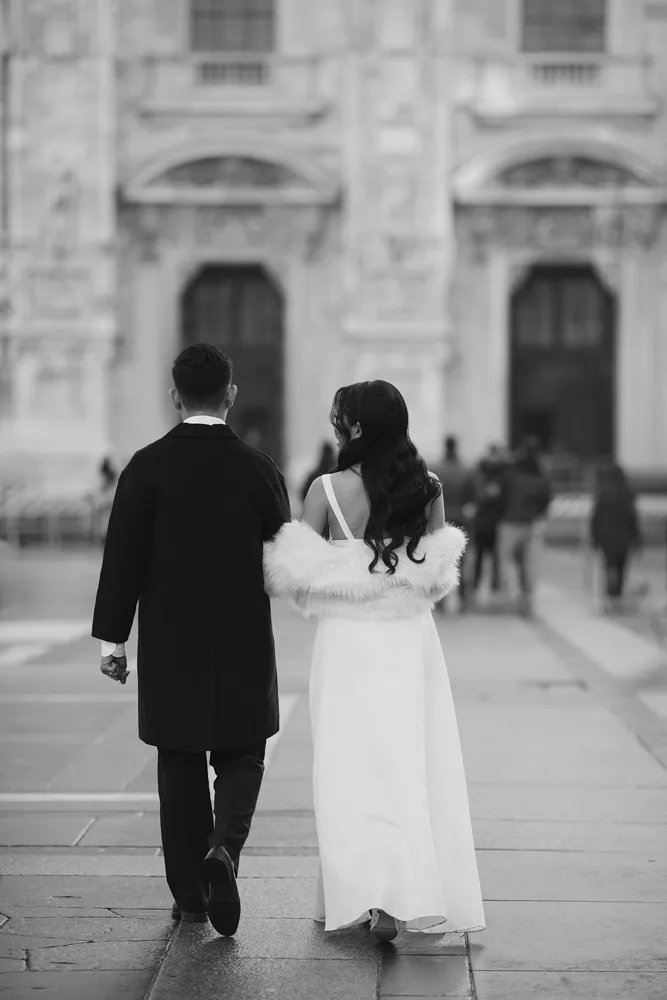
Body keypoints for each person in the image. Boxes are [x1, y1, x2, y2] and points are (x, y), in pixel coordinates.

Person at [264, 381, 485, 943]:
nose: (334, 426)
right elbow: (437, 570)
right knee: (411, 762)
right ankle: (402, 895)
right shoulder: (427, 486)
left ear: (356, 428)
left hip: (345, 641)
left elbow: (293, 568)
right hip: (409, 637)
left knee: (346, 768)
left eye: (339, 418)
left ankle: (359, 892)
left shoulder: (326, 490)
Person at [92, 343, 290, 935]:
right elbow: (281, 556)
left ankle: (190, 897)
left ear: (174, 396)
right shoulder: (259, 468)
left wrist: (112, 640)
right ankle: (223, 852)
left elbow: (121, 557)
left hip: (170, 638)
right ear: (231, 394)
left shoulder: (145, 466)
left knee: (177, 762)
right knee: (243, 749)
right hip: (241, 635)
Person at [498, 442, 552, 616]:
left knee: (507, 559)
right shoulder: (541, 479)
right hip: (532, 524)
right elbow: (546, 501)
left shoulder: (511, 475)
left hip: (510, 522)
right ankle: (528, 600)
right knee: (529, 564)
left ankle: (515, 594)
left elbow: (501, 496)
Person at [431, 436, 476, 611]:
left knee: (440, 560)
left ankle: (440, 601)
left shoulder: (436, 469)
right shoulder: (466, 470)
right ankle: (464, 599)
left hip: (441, 518)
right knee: (462, 561)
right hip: (461, 519)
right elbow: (473, 498)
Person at [590, 462, 641, 613]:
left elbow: (596, 517)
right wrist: (636, 537)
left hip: (606, 537)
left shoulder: (603, 493)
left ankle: (608, 598)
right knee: (620, 567)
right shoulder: (628, 493)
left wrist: (594, 536)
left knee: (608, 567)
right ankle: (617, 598)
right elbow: (632, 517)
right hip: (623, 537)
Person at [471, 444, 507, 596]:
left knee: (481, 554)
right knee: (493, 555)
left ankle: (478, 584)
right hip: (494, 520)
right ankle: (493, 585)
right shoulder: (501, 474)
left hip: (484, 520)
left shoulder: (480, 473)